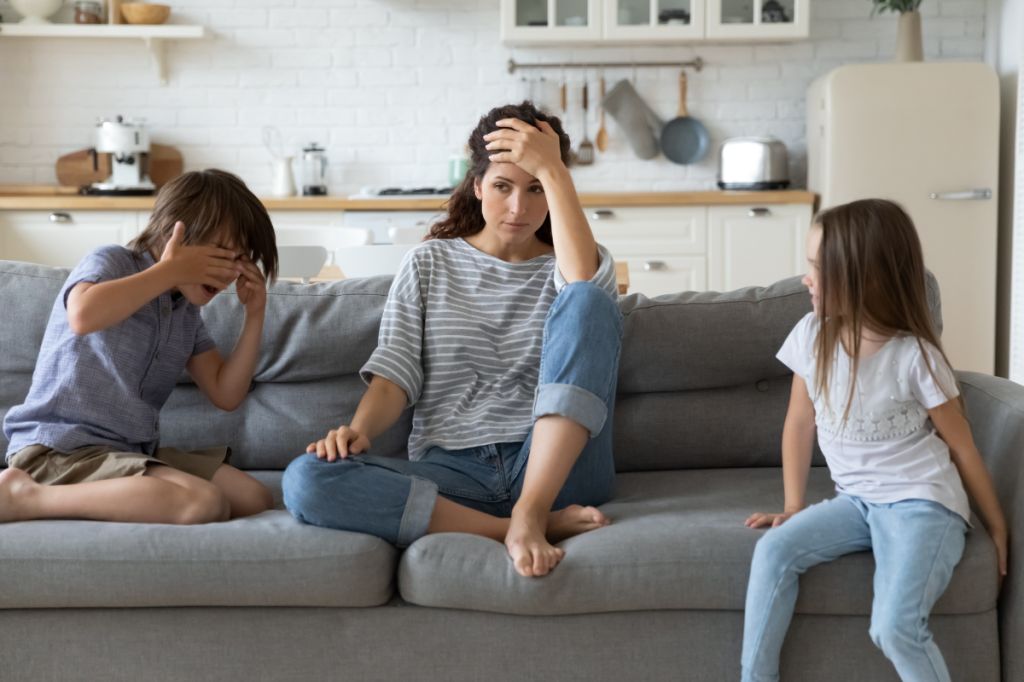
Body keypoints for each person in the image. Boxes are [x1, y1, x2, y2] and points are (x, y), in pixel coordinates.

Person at [283, 102, 621, 578]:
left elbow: (581, 282)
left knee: (588, 298)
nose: (519, 208)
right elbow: (394, 375)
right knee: (305, 479)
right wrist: (359, 432)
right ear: (477, 185)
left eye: (536, 188)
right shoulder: (429, 263)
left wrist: (553, 167)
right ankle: (519, 525)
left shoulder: (574, 264)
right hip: (455, 475)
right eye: (502, 186)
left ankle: (531, 509)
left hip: (560, 470)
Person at [741, 198, 1008, 682]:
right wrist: (794, 506)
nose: (806, 278)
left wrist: (998, 526)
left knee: (894, 628)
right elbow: (799, 424)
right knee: (773, 551)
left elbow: (963, 446)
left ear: (863, 277)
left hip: (924, 504)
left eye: (818, 268)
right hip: (856, 502)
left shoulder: (915, 356)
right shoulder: (811, 335)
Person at [0, 169, 278, 525]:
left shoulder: (185, 312)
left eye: (240, 259)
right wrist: (169, 271)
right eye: (222, 254)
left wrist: (255, 314)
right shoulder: (113, 262)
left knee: (253, 498)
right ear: (173, 232)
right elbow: (82, 315)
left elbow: (226, 394)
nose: (229, 272)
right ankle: (26, 496)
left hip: (124, 451)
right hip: (61, 449)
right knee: (201, 503)